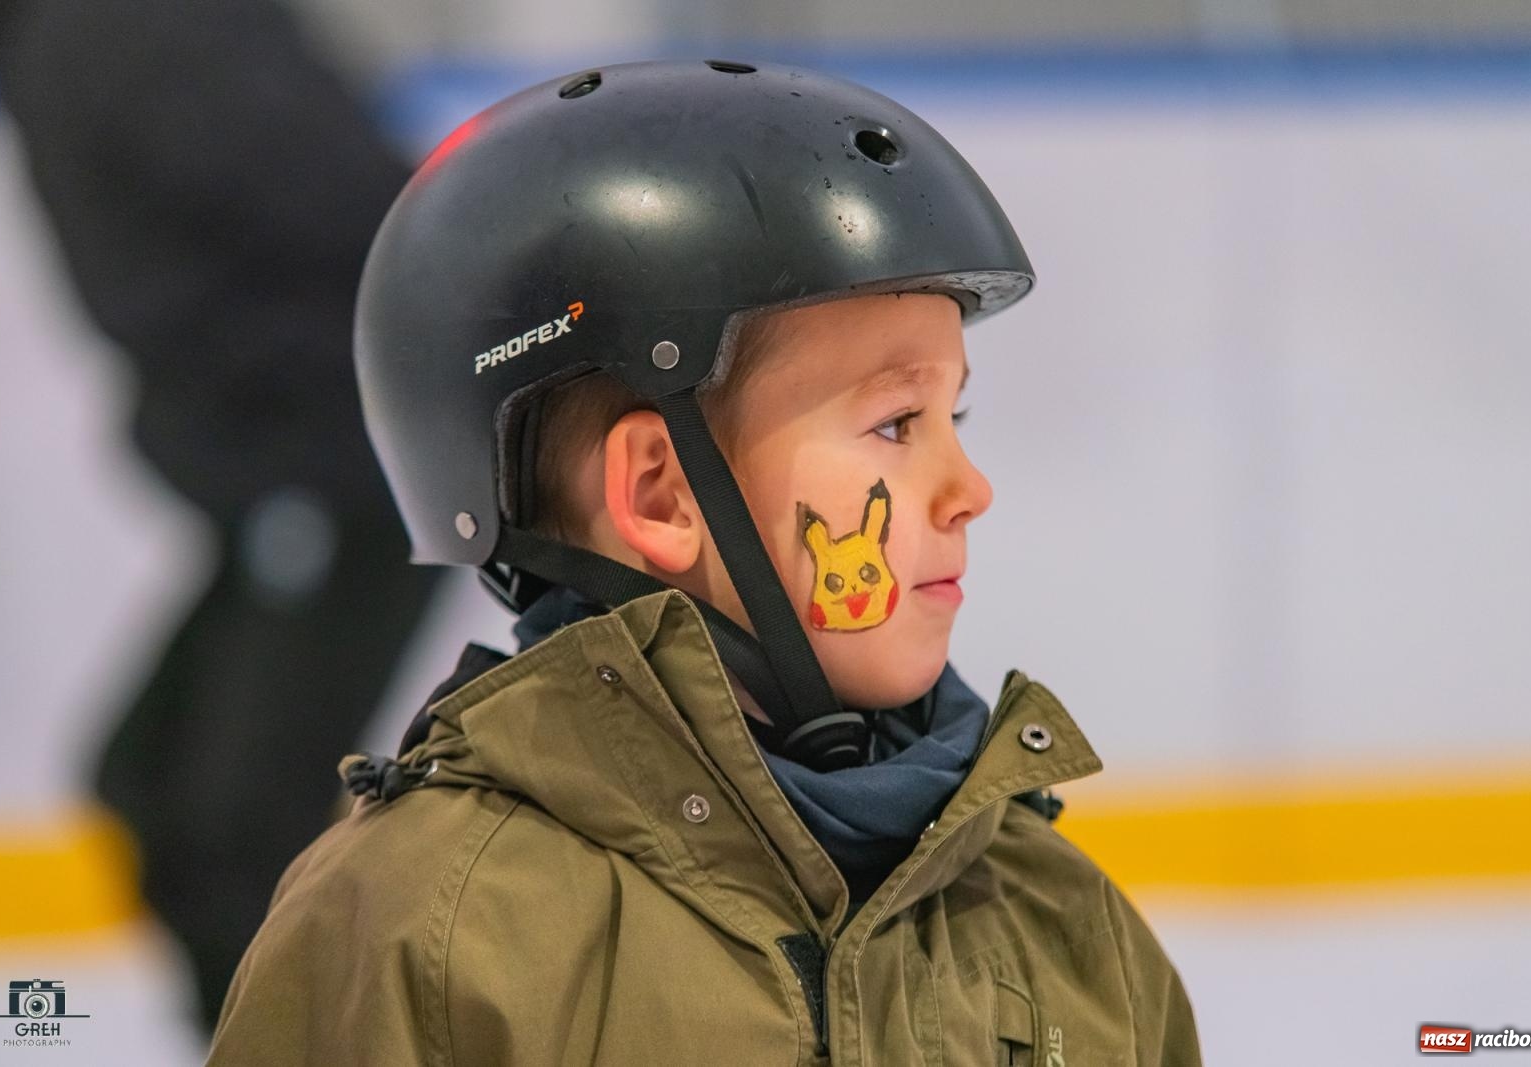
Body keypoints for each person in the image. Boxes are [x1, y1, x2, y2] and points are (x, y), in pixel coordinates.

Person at [207, 59, 1202, 1065]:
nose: (970, 487)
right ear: (661, 495)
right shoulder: (421, 934)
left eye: (958, 415)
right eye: (897, 423)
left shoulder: (1061, 926)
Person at [0, 0, 441, 1029]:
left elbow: (340, 193)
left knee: (231, 819)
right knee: (153, 782)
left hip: (334, 464)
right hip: (291, 470)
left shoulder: (126, 30)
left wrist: (280, 403)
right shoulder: (79, 36)